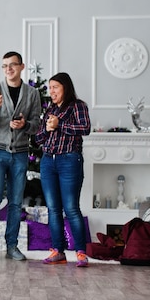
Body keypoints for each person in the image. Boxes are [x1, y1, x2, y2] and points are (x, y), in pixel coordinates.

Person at [0, 51, 41, 261]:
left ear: (21, 67)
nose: (8, 69)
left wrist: (25, 125)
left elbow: (37, 126)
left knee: (15, 202)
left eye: (13, 65)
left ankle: (12, 246)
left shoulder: (32, 94)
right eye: (5, 66)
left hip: (21, 153)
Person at [35, 72, 91, 267]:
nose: (51, 91)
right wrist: (47, 130)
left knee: (71, 208)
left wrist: (60, 125)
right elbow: (38, 139)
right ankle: (58, 251)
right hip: (48, 162)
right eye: (50, 88)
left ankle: (81, 252)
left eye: (55, 87)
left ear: (65, 88)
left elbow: (85, 128)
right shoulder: (49, 109)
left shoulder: (78, 106)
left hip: (70, 160)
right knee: (53, 209)